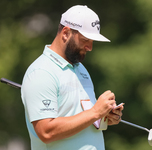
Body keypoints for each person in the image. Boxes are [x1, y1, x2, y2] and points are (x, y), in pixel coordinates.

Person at [21, 5, 123, 150]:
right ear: (66, 33)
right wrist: (95, 112)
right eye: (85, 39)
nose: (90, 47)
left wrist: (103, 117)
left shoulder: (80, 69)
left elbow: (81, 116)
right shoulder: (41, 72)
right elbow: (46, 132)